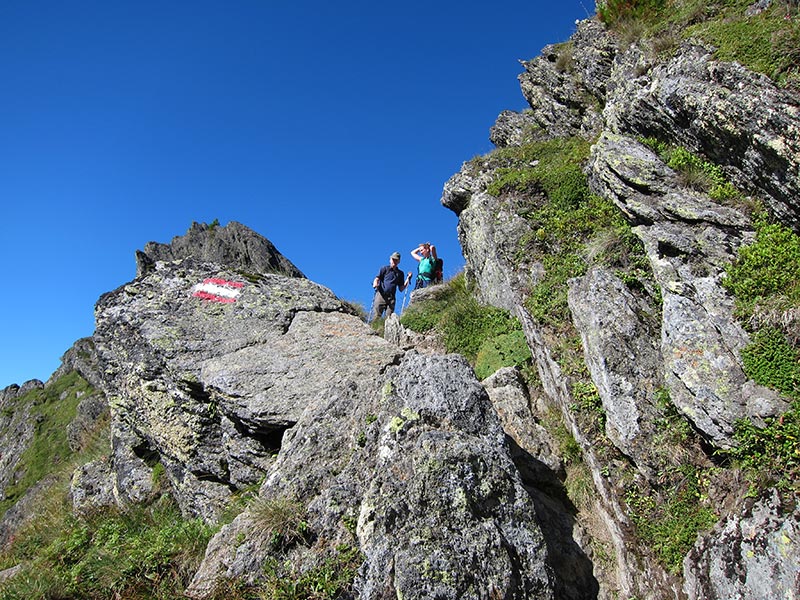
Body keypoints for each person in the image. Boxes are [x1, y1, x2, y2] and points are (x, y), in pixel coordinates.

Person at [372, 252, 412, 319]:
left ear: (399, 261)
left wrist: (408, 279)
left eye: (396, 260)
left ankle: (386, 329)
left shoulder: (400, 273)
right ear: (390, 260)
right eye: (393, 259)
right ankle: (374, 328)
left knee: (389, 318)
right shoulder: (384, 269)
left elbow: (401, 288)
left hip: (391, 298)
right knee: (376, 316)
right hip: (381, 295)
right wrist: (375, 284)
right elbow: (377, 278)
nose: (394, 261)